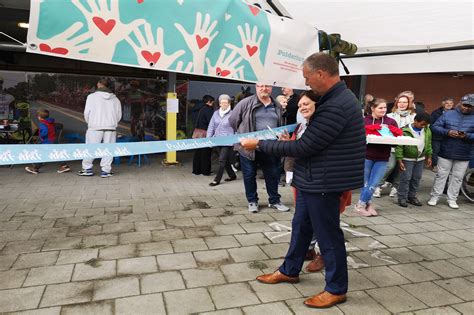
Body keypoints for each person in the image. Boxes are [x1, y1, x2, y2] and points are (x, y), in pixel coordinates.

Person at [241, 53, 366, 309]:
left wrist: (260, 144)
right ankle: (290, 269)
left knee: (329, 236)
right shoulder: (334, 99)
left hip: (325, 180)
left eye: (308, 77)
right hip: (313, 179)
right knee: (301, 228)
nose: (307, 83)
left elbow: (305, 147)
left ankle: (336, 288)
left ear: (321, 74)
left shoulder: (336, 105)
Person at [229, 83, 290, 213]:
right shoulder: (245, 103)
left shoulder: (276, 105)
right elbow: (233, 121)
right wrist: (244, 136)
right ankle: (252, 201)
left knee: (273, 174)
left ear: (272, 88)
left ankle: (274, 200)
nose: (264, 88)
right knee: (249, 175)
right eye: (260, 85)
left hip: (270, 147)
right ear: (256, 87)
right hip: (249, 148)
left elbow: (280, 123)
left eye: (267, 86)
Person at [428, 94, 474, 209]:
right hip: (446, 149)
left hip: (464, 152)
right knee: (441, 175)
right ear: (460, 103)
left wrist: (467, 136)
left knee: (458, 177)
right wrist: (447, 132)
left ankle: (452, 199)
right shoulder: (449, 113)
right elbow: (435, 127)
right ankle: (435, 196)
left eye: (470, 106)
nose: (466, 108)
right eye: (465, 105)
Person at [356, 98, 399, 216]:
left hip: (383, 157)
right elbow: (358, 138)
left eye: (385, 107)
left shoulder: (391, 122)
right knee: (365, 183)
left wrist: (390, 137)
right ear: (372, 108)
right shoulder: (365, 121)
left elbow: (396, 141)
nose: (383, 110)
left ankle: (360, 204)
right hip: (366, 156)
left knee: (374, 184)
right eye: (380, 107)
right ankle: (366, 205)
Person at [373, 93, 416, 198]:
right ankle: (377, 186)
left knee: (401, 168)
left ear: (409, 103)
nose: (402, 104)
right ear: (396, 103)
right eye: (400, 102)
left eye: (405, 102)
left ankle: (395, 187)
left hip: (406, 146)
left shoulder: (413, 116)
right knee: (389, 166)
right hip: (392, 146)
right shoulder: (390, 115)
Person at [78, 79, 122, 178]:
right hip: (110, 127)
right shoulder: (115, 99)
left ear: (99, 85)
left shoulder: (91, 97)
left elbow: (87, 113)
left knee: (90, 148)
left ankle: (87, 169)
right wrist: (113, 123)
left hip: (95, 126)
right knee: (109, 149)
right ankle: (106, 171)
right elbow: (119, 115)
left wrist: (91, 123)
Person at [395, 112, 432, 207]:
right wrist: (399, 160)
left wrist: (429, 156)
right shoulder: (404, 130)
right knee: (405, 178)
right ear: (415, 121)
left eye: (425, 125)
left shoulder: (427, 130)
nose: (423, 126)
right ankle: (402, 197)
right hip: (407, 159)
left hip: (420, 158)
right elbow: (399, 146)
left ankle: (412, 197)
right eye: (422, 124)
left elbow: (428, 143)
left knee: (416, 178)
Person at [25, 109, 71, 174]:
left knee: (41, 154)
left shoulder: (42, 124)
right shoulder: (51, 122)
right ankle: (65, 166)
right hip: (53, 140)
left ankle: (35, 169)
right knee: (56, 154)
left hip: (47, 142)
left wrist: (41, 135)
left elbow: (45, 131)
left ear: (39, 117)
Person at [206, 94, 236, 186]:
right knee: (225, 159)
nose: (224, 104)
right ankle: (232, 175)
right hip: (217, 139)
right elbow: (211, 126)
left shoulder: (233, 114)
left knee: (222, 159)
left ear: (229, 103)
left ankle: (217, 179)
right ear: (219, 103)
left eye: (225, 102)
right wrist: (209, 139)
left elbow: (237, 127)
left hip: (228, 140)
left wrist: (236, 139)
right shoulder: (215, 113)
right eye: (222, 102)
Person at [191, 95, 215, 176]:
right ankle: (205, 171)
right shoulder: (208, 109)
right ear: (208, 102)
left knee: (197, 152)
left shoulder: (197, 108)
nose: (213, 104)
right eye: (212, 102)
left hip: (197, 132)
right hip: (205, 133)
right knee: (206, 153)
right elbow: (211, 122)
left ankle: (196, 170)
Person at [430, 97, 454, 171]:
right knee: (436, 151)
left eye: (451, 103)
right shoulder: (435, 113)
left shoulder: (456, 113)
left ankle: (447, 167)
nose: (449, 105)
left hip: (449, 137)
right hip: (437, 137)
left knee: (447, 151)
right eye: (447, 103)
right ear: (443, 104)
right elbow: (431, 124)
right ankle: (435, 165)